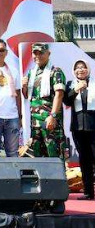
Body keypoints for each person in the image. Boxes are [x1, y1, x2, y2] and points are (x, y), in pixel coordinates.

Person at [22, 43, 66, 159]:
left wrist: (53, 116)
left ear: (48, 54)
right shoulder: (32, 73)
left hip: (50, 121)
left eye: (40, 53)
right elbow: (27, 96)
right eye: (35, 53)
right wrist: (24, 86)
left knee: (54, 155)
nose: (37, 56)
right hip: (35, 123)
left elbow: (59, 95)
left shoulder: (55, 71)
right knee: (38, 157)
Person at [63, 59, 95, 200]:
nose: (80, 70)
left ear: (88, 69)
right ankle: (88, 192)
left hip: (93, 126)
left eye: (83, 67)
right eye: (77, 67)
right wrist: (76, 90)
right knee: (84, 160)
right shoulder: (70, 85)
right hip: (78, 128)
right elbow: (66, 101)